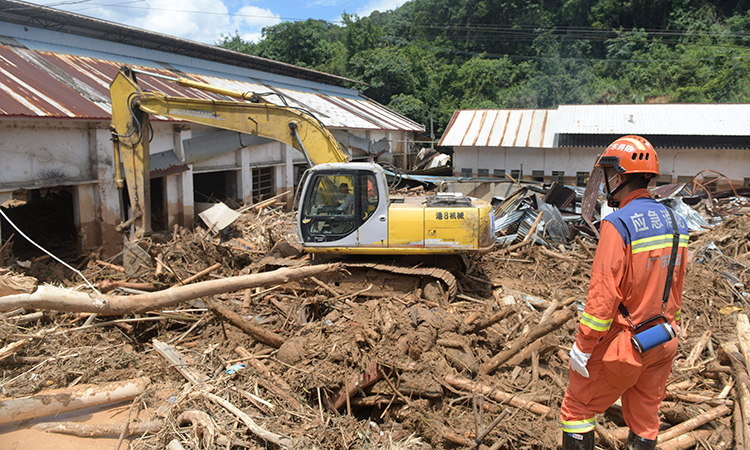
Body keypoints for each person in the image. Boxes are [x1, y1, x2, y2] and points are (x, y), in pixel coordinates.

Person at [560, 136, 689, 450]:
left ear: (619, 177)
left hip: (625, 346)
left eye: (610, 177)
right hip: (664, 339)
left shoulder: (617, 224)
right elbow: (677, 286)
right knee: (645, 416)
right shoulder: (677, 223)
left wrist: (584, 345)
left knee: (577, 410)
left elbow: (603, 295)